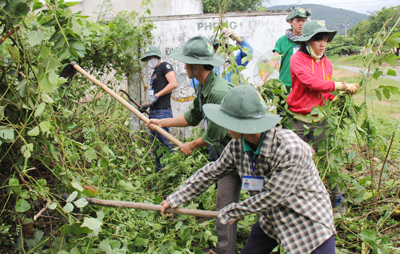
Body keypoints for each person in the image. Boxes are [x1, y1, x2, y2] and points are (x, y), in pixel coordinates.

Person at [160, 85, 336, 254]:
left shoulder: (290, 150)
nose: (225, 127)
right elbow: (211, 172)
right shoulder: (237, 146)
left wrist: (233, 211)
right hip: (272, 219)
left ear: (242, 124)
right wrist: (175, 199)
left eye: (228, 121)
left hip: (307, 222)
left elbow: (273, 196)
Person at [146, 36, 239, 254]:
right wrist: (162, 121)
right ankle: (226, 251)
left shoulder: (218, 92)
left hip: (244, 154)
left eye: (187, 62)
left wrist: (192, 145)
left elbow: (215, 134)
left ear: (197, 65)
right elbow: (193, 116)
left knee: (261, 204)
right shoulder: (204, 87)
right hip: (227, 157)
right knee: (224, 203)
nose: (184, 66)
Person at [287, 20, 359, 212]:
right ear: (307, 42)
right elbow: (312, 83)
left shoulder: (327, 64)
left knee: (328, 158)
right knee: (294, 160)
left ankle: (337, 198)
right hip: (298, 119)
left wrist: (340, 95)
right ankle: (293, 200)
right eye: (318, 40)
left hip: (320, 118)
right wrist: (341, 85)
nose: (322, 44)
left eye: (325, 40)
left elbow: (325, 92)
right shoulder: (298, 60)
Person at [139, 45, 178, 171]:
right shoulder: (155, 73)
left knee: (163, 143)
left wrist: (156, 95)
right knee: (156, 144)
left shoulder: (165, 66)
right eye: (147, 59)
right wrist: (147, 104)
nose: (149, 60)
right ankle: (161, 171)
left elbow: (173, 84)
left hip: (162, 112)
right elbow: (155, 95)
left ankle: (176, 169)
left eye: (151, 57)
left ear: (157, 57)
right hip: (154, 112)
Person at [256, 8, 311, 91]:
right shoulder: (282, 41)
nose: (301, 23)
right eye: (298, 20)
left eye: (303, 20)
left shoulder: (309, 41)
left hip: (304, 86)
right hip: (285, 86)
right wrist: (262, 80)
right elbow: (274, 61)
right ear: (290, 22)